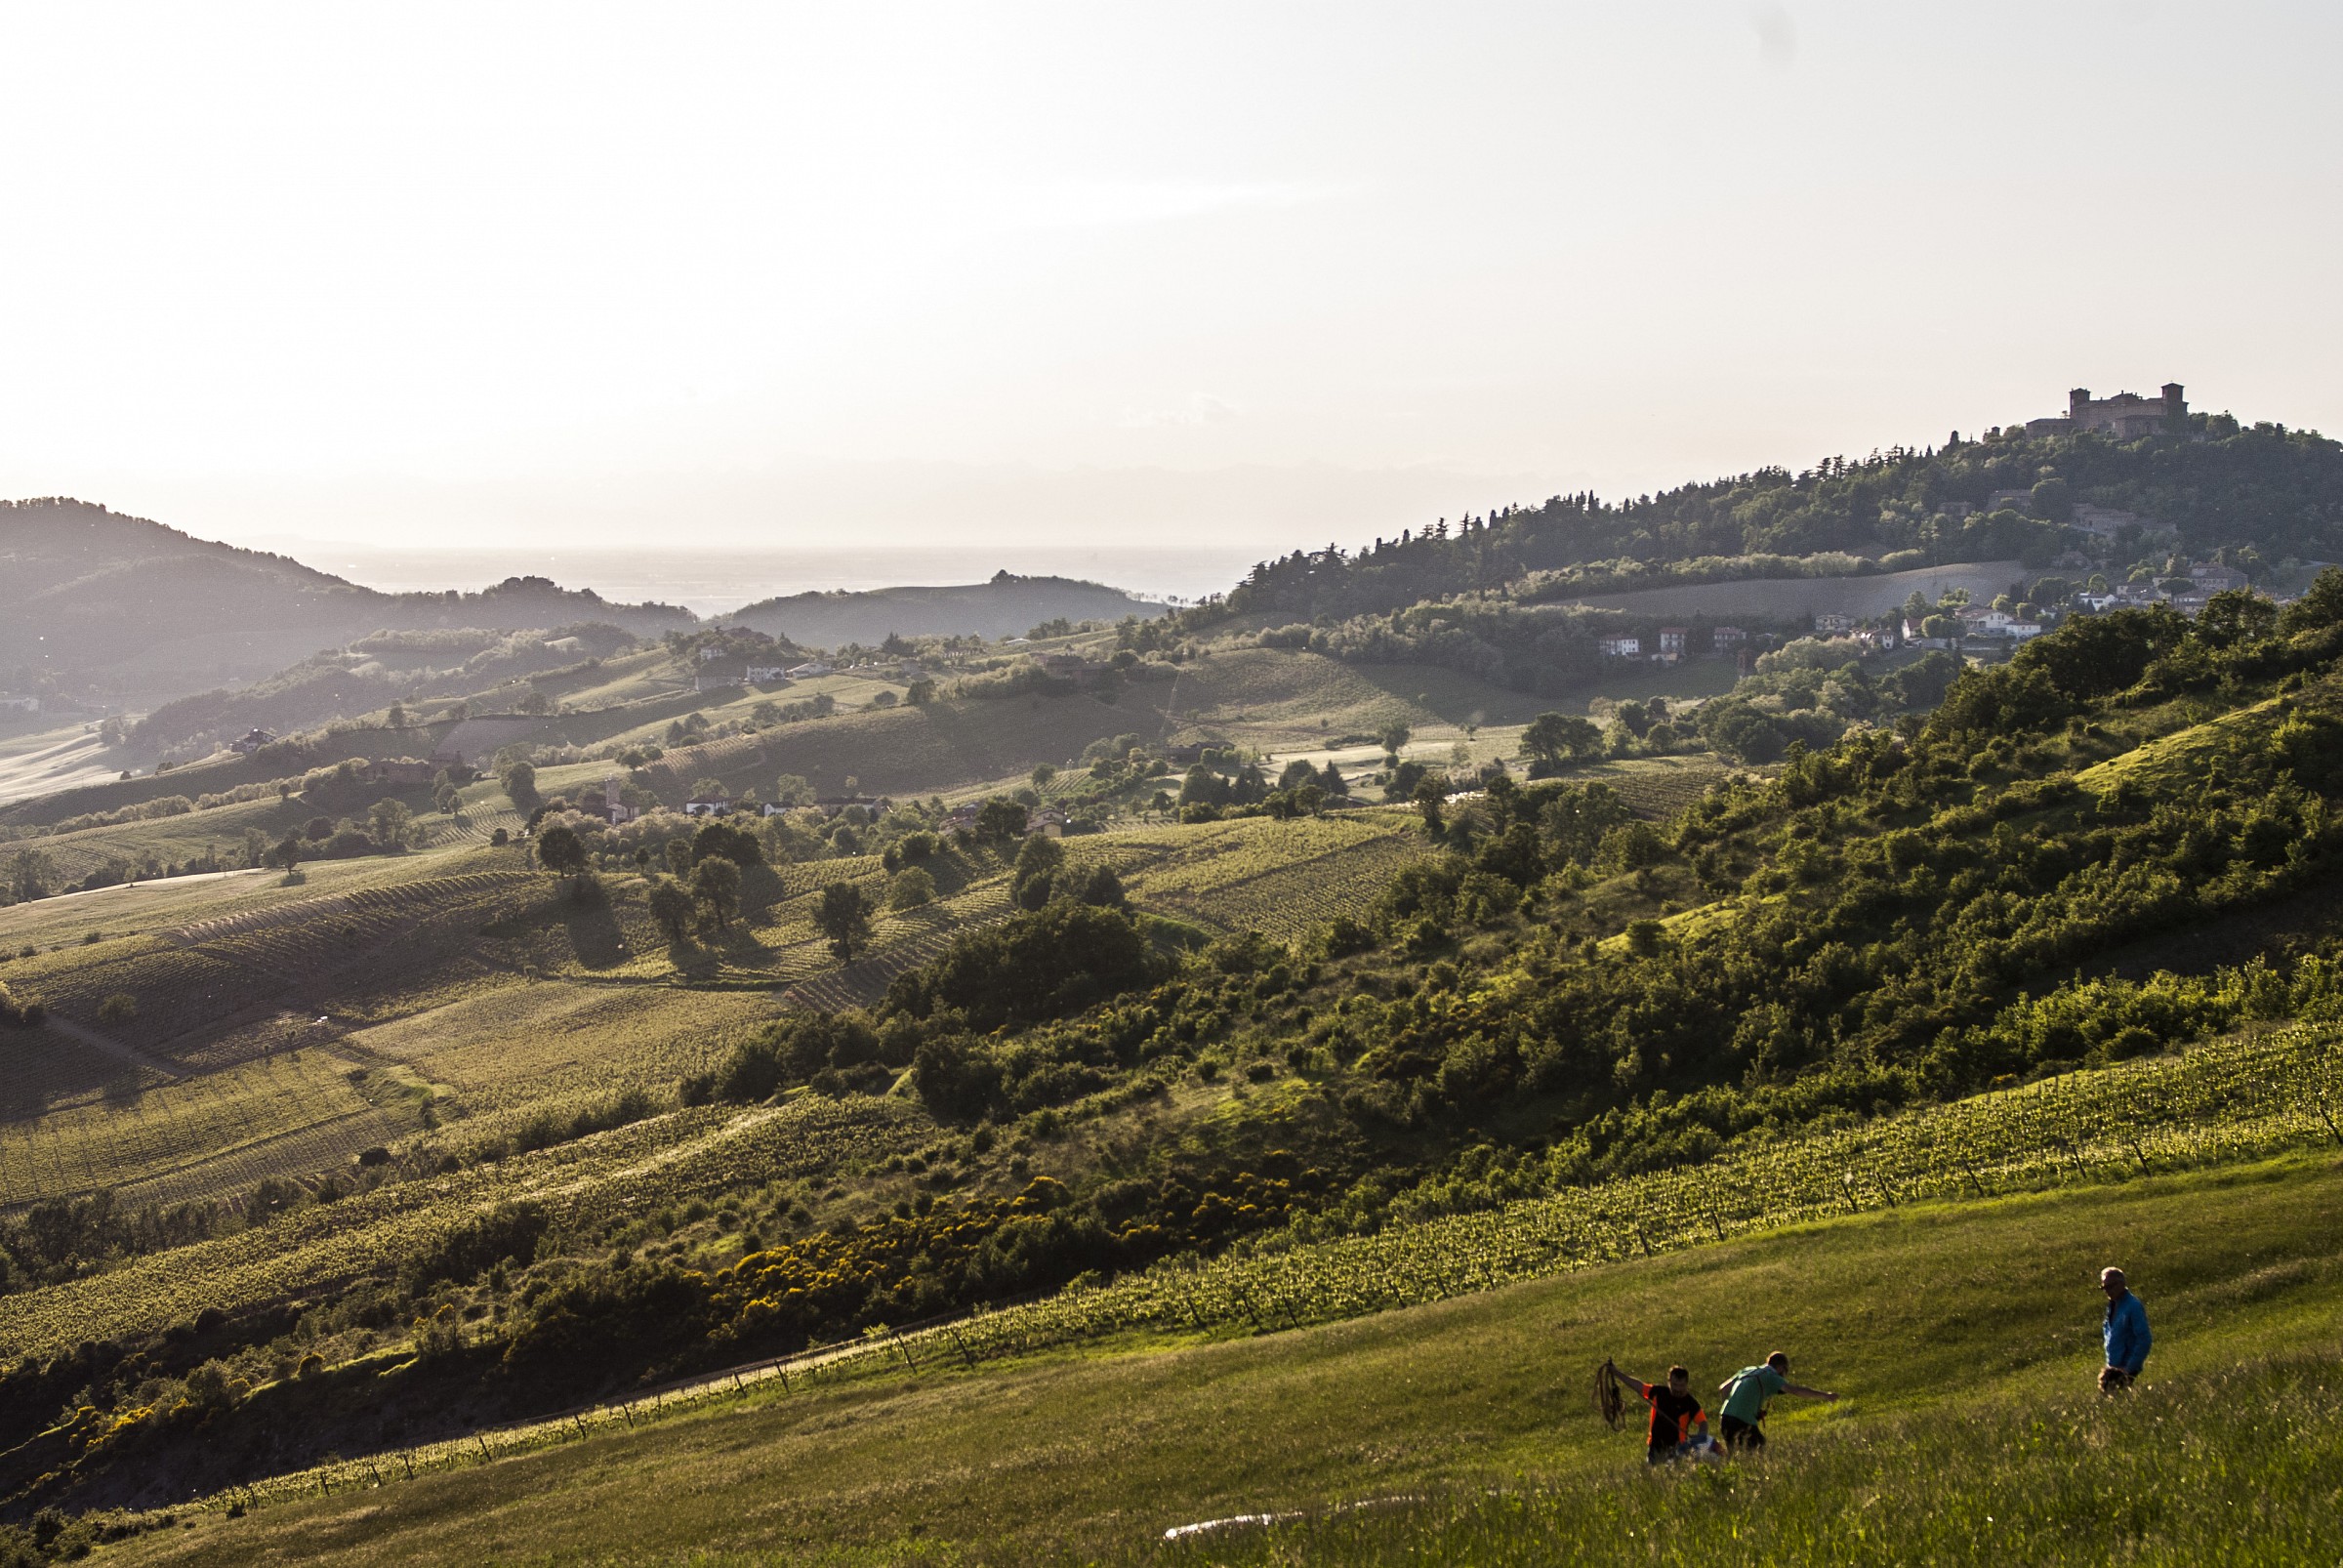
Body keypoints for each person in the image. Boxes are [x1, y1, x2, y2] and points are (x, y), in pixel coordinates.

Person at [1716, 1351, 1836, 1452]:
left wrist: (1734, 1408)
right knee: (1759, 1449)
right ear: (1780, 1368)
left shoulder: (1748, 1370)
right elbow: (1795, 1391)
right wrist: (1826, 1396)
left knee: (1734, 1456)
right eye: (1785, 1371)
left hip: (1725, 1418)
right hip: (1742, 1421)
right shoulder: (1771, 1376)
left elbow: (1724, 1389)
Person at [1615, 1363, 1708, 1464]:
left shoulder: (1691, 1403)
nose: (1678, 1389)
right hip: (1655, 1446)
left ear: (1686, 1384)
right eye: (1675, 1385)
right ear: (1669, 1382)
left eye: (1681, 1386)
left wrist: (1700, 1438)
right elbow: (1638, 1386)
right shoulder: (1659, 1393)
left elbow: (1703, 1422)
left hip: (1678, 1448)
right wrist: (1615, 1372)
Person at [2100, 1266, 2151, 1393]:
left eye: (2111, 1286)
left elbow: (2144, 1339)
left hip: (2126, 1369)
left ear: (2122, 1284)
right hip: (2112, 1368)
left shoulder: (2133, 1306)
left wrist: (2130, 1368)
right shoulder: (2112, 1306)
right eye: (2104, 1288)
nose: (2108, 1291)